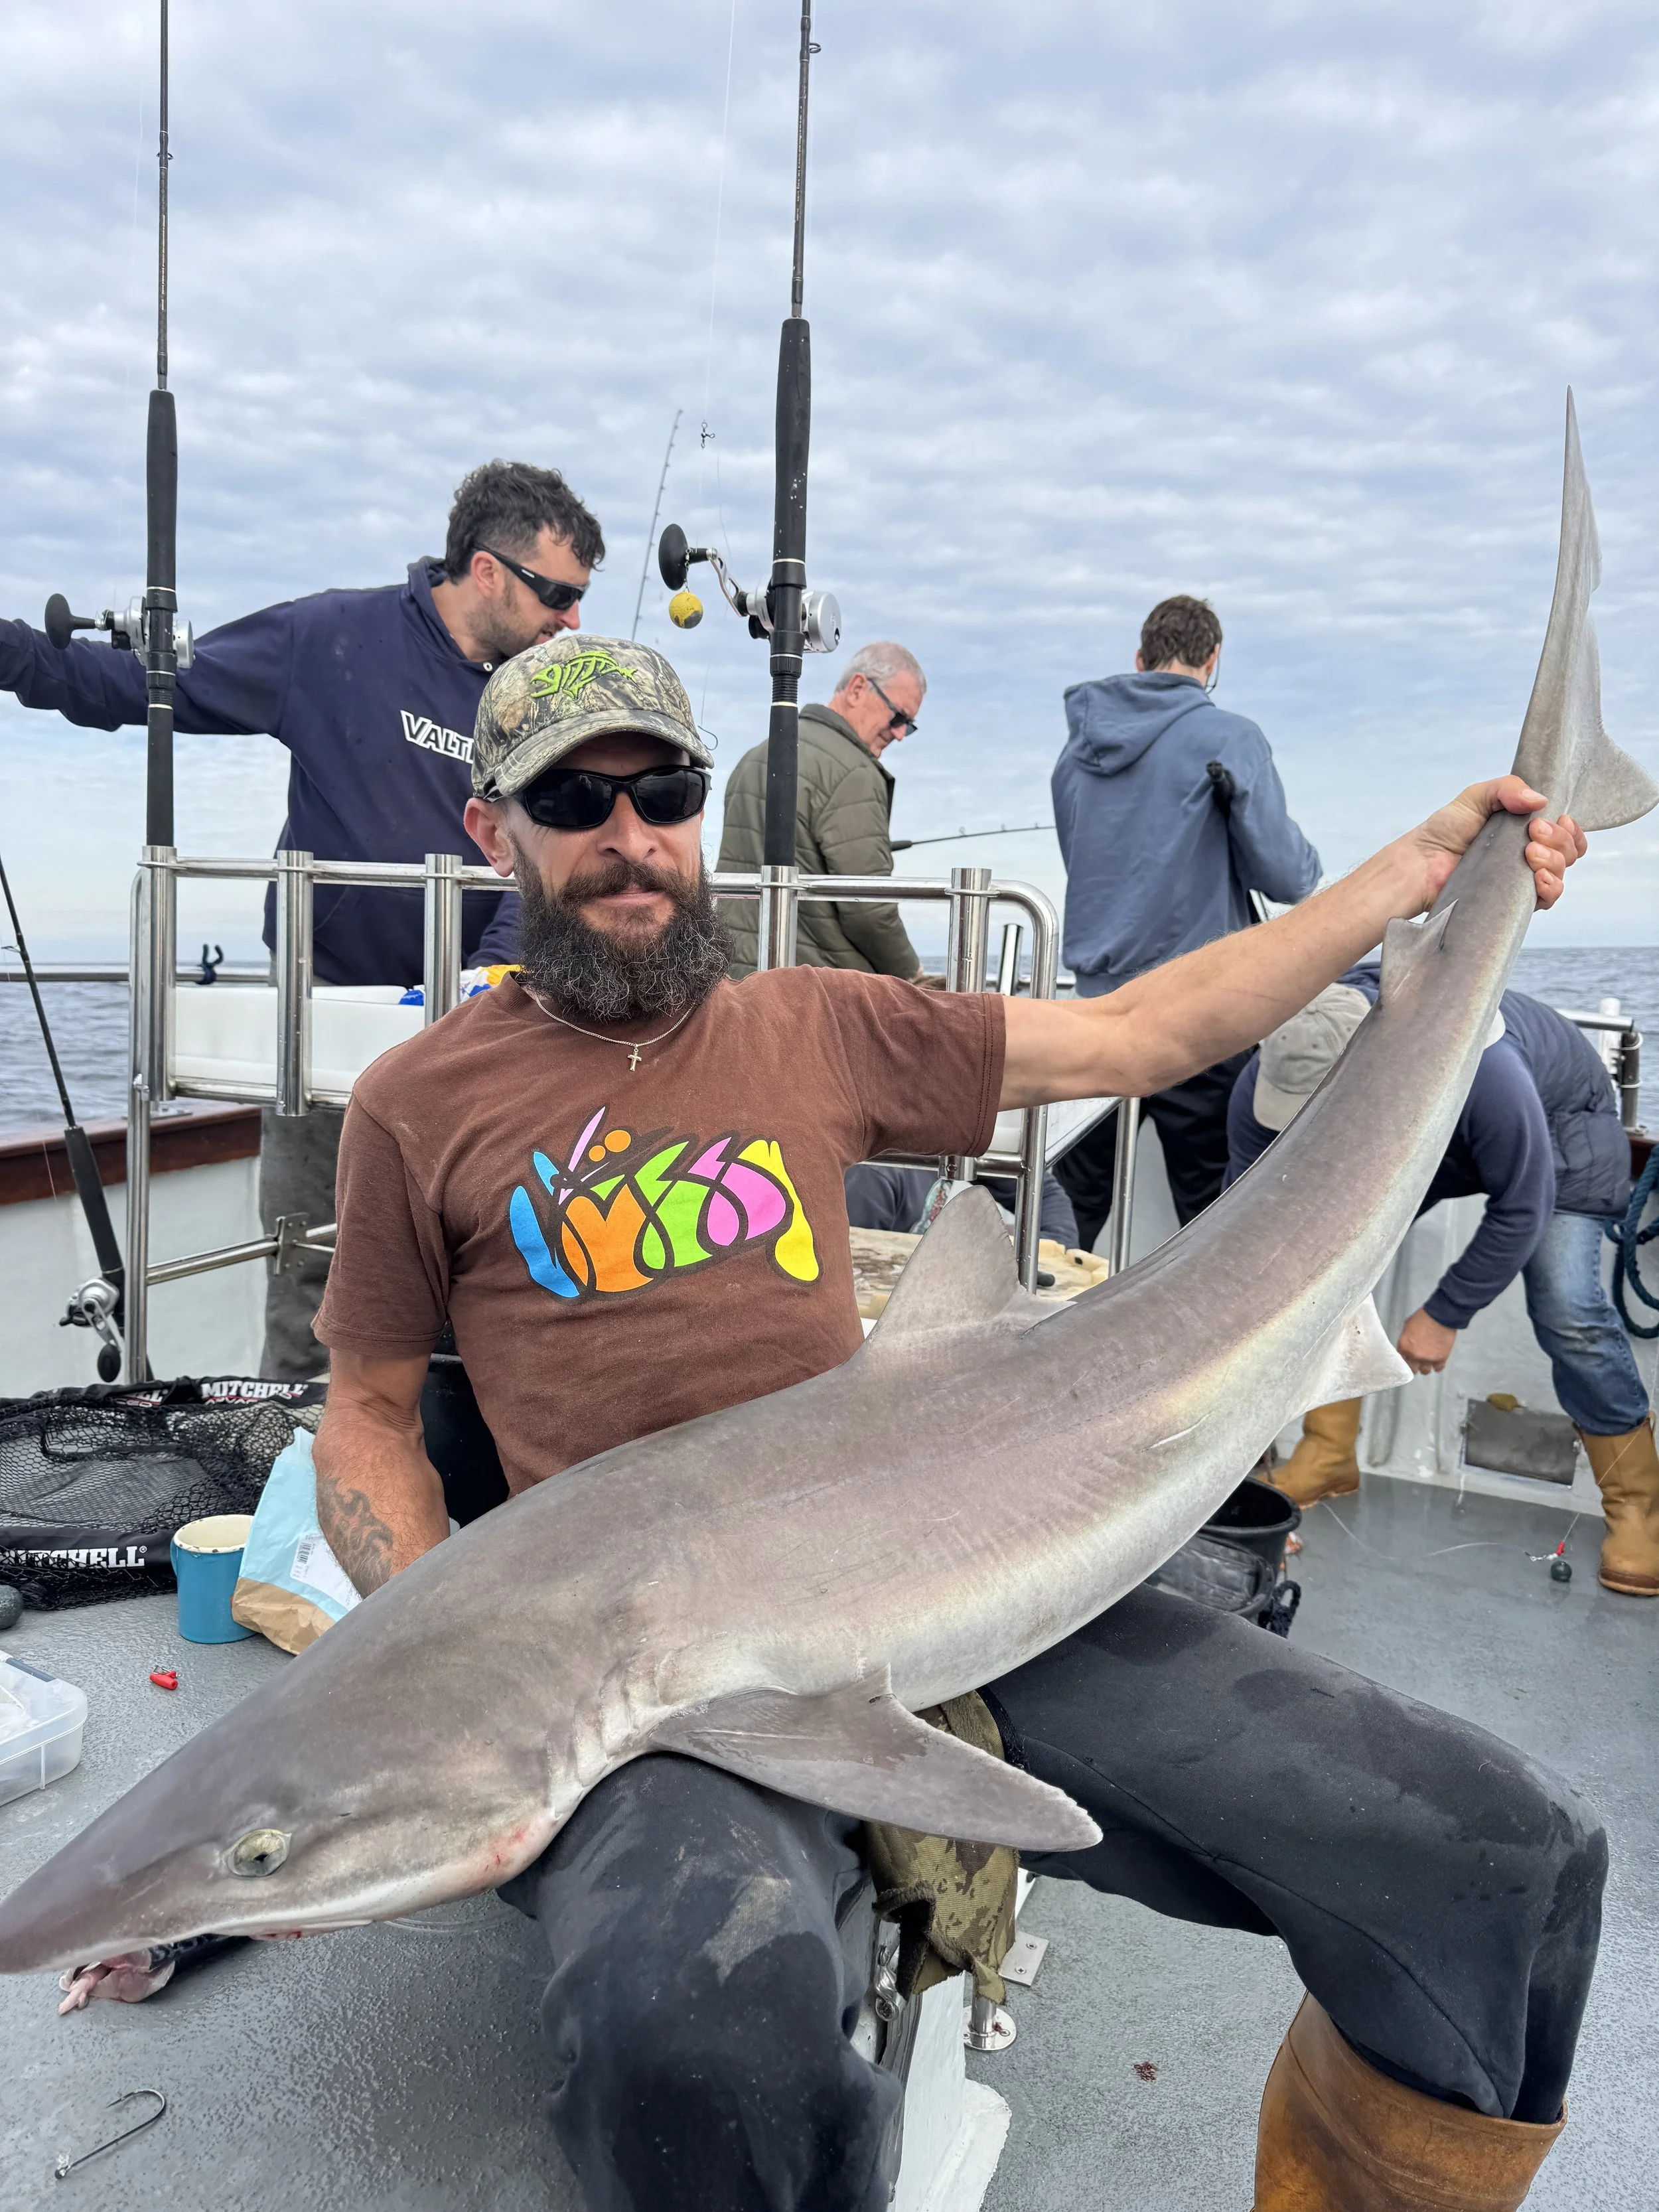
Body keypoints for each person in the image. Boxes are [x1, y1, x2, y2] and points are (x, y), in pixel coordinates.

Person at [299, 627, 1599, 2212]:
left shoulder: (813, 1023)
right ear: (491, 828)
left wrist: (1416, 873)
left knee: (1508, 1859)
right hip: (652, 1670)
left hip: (970, 1550)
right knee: (689, 2039)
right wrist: (435, 1656)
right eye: (575, 799)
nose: (628, 835)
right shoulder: (417, 1102)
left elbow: (1141, 1035)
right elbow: (364, 1414)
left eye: (666, 791)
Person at [0, 459, 604, 1379]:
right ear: (486, 570)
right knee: (313, 1279)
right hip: (320, 1038)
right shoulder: (331, 637)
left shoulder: (545, 693)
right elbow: (148, 684)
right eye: (558, 595)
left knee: (490, 1274)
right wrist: (14, 656)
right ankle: (302, 1492)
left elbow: (555, 857)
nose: (571, 621)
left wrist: (484, 980)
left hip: (482, 1031)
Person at [1228, 972, 1658, 1596]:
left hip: (1559, 1125)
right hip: (1409, 1127)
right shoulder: (1272, 1075)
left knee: (1565, 1305)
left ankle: (1640, 1508)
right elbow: (1252, 1224)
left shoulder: (1486, 1066)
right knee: (1315, 1268)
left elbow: (1525, 1201)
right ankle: (1327, 1453)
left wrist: (1445, 1312)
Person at [1050, 594, 1322, 1248]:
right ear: (1213, 660)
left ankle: (1020, 1340)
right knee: (1213, 1219)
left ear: (1141, 659)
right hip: (1198, 1015)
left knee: (1069, 1216)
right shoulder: (1228, 738)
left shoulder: (1074, 756)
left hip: (1097, 1013)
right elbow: (1287, 877)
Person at [719, 641, 928, 979]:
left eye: (910, 726)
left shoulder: (754, 758)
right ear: (858, 688)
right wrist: (911, 973)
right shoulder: (855, 772)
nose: (901, 735)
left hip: (737, 984)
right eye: (899, 717)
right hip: (813, 997)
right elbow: (869, 911)